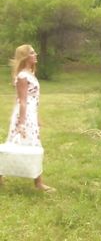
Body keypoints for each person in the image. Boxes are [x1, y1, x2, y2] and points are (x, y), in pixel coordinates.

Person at [0, 44, 55, 192]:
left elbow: (33, 99)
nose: (35, 54)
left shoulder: (29, 74)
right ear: (25, 57)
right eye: (32, 53)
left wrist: (36, 117)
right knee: (16, 144)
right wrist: (22, 123)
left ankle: (37, 181)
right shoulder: (22, 76)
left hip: (30, 114)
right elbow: (22, 101)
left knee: (26, 144)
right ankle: (38, 183)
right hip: (23, 116)